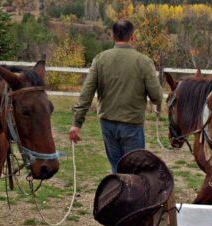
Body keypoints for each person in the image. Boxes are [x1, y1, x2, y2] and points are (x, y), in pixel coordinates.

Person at [68, 19, 163, 173]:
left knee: (116, 168)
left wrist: (76, 123)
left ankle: (118, 193)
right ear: (133, 37)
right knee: (134, 170)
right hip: (132, 124)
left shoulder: (100, 59)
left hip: (108, 123)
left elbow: (86, 93)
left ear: (112, 36)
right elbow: (157, 97)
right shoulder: (144, 62)